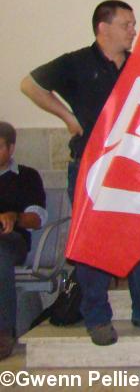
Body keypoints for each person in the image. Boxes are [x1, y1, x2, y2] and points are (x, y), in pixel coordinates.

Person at [20, 0, 140, 346]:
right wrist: (68, 118)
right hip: (91, 167)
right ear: (103, 27)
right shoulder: (76, 62)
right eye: (126, 24)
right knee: (92, 243)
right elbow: (29, 84)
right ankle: (96, 317)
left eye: (133, 24)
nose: (133, 31)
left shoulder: (138, 65)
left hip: (134, 165)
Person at [0, 122, 46, 360]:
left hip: (10, 240)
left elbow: (37, 218)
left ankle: (3, 333)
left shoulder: (26, 177)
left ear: (11, 148)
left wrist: (14, 217)